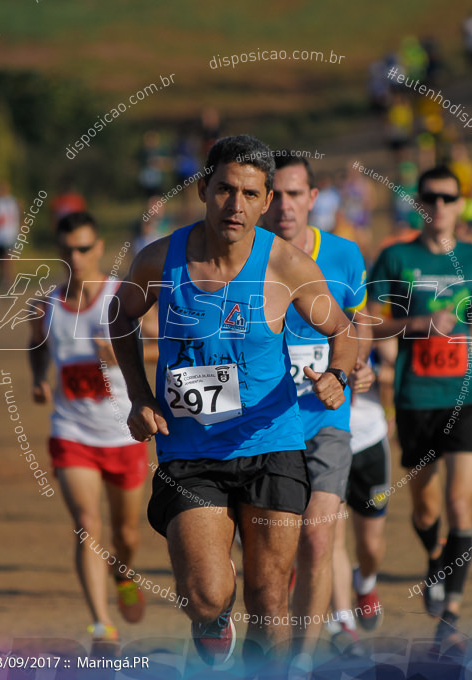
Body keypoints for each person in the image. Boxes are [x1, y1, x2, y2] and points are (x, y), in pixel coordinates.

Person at [108, 135, 359, 669]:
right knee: (206, 593)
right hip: (192, 452)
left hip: (272, 445)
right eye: (224, 189)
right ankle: (213, 620)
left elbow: (344, 329)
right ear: (204, 188)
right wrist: (139, 394)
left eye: (250, 194)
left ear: (267, 200)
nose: (235, 205)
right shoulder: (161, 259)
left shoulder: (287, 265)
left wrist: (337, 374)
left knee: (270, 599)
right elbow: (119, 315)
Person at [367, 165, 472, 652]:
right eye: (431, 197)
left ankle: (452, 614)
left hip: (464, 398)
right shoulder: (395, 258)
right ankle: (434, 560)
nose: (440, 206)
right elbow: (367, 326)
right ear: (420, 204)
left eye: (449, 198)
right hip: (415, 398)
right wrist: (421, 323)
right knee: (425, 510)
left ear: (461, 204)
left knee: (460, 504)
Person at [258, 154, 371, 661]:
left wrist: (353, 369)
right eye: (276, 194)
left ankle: (302, 663)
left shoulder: (345, 255)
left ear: (313, 198)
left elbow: (356, 323)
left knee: (318, 539)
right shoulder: (245, 257)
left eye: (295, 194)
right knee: (269, 556)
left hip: (327, 417)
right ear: (263, 199)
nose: (285, 205)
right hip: (262, 423)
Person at [28, 212, 151, 654]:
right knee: (86, 523)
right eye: (67, 250)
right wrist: (40, 378)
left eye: (84, 248)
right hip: (71, 430)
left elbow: (164, 344)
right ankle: (102, 626)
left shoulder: (123, 297)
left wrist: (123, 353)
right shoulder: (46, 305)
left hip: (123, 434)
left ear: (99, 248)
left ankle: (123, 572)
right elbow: (35, 344)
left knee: (127, 536)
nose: (76, 258)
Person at [327, 347, 390, 653]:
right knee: (332, 537)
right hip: (324, 440)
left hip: (369, 441)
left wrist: (373, 371)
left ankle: (364, 583)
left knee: (371, 546)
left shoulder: (364, 315)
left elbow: (393, 361)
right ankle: (344, 624)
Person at [0, 182, 21, 282]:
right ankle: (5, 276)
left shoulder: (13, 202)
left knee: (7, 257)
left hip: (10, 234)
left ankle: (7, 279)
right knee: (0, 258)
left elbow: (20, 216)